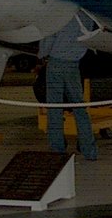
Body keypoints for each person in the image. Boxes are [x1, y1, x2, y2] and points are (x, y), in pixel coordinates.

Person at [37, 14, 98, 160]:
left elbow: (49, 36)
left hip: (56, 63)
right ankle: (89, 150)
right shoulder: (87, 15)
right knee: (79, 107)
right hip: (74, 64)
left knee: (55, 108)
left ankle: (57, 149)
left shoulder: (61, 10)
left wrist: (41, 54)